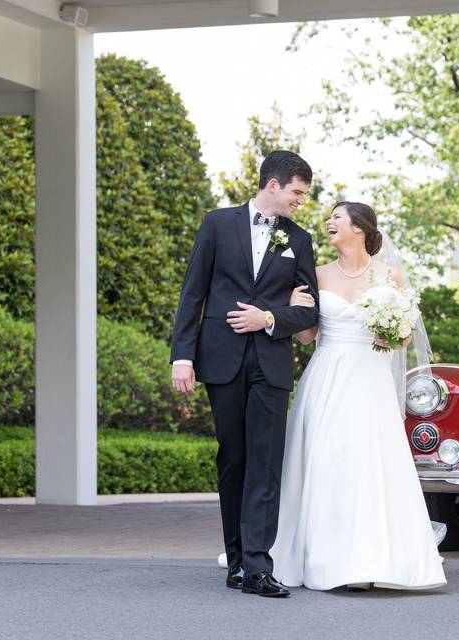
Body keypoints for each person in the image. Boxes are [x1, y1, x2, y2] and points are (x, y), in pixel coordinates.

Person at [270, 201, 446, 591]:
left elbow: (403, 337)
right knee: (326, 460)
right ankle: (324, 557)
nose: (329, 222)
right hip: (327, 376)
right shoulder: (316, 275)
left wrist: (392, 335)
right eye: (329, 217)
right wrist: (292, 308)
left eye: (337, 217)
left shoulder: (389, 277)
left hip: (369, 381)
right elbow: (306, 336)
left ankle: (369, 558)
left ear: (360, 228)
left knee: (367, 464)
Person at [170, 151, 319, 598]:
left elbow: (310, 314)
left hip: (271, 363)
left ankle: (259, 566)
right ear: (272, 185)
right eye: (297, 192)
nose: (300, 202)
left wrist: (269, 318)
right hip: (222, 358)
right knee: (233, 458)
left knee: (266, 462)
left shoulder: (300, 240)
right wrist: (183, 355)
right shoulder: (217, 224)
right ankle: (235, 561)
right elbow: (193, 291)